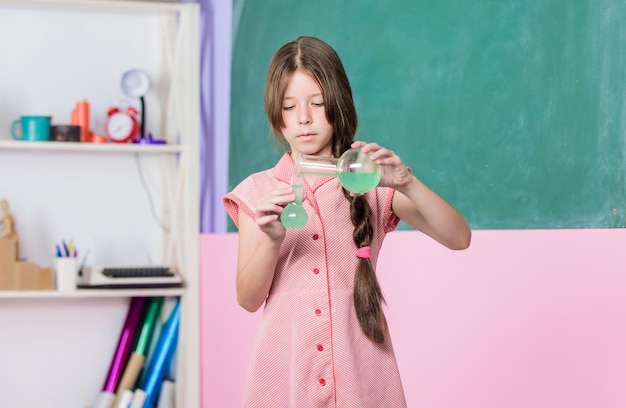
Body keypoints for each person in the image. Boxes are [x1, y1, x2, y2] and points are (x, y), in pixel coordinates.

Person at [223, 36, 471, 407]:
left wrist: (407, 183)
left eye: (317, 103)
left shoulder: (370, 182)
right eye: (289, 107)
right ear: (277, 113)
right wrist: (272, 240)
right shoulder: (258, 191)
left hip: (364, 373)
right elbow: (247, 298)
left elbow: (459, 238)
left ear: (338, 104)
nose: (303, 118)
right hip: (287, 377)